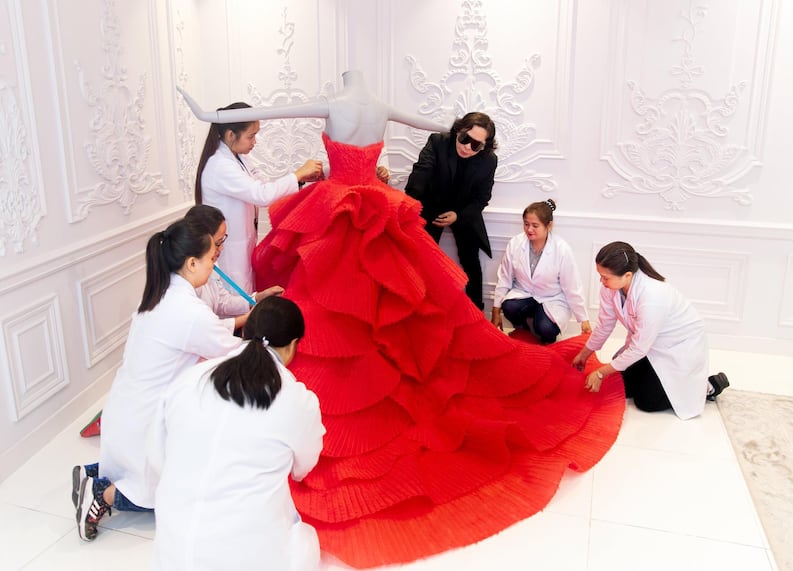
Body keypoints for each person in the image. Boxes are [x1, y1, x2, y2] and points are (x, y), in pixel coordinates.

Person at [179, 70, 625, 568]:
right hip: (369, 202)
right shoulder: (381, 105)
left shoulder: (336, 103)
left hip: (342, 205)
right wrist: (451, 124)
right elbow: (431, 121)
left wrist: (211, 115)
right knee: (389, 306)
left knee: (342, 305)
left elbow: (273, 113)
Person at [72, 218, 242, 541]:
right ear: (192, 263)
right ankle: (99, 493)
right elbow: (231, 351)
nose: (214, 262)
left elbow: (211, 334)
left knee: (138, 467)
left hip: (125, 411)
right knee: (163, 497)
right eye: (210, 257)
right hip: (145, 422)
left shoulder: (159, 295)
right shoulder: (188, 310)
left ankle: (92, 472)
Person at [149, 296, 325, 571]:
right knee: (305, 542)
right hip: (246, 555)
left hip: (173, 551)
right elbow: (303, 467)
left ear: (244, 332)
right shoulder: (297, 401)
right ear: (292, 347)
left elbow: (158, 455)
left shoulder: (191, 379)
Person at [572, 241, 729, 420]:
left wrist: (601, 372)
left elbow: (639, 348)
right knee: (621, 385)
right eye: (600, 275)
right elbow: (604, 325)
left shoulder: (652, 296)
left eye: (605, 277)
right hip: (650, 344)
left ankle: (707, 386)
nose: (601, 281)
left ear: (627, 275)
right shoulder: (610, 289)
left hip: (678, 348)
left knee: (647, 402)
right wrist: (585, 354)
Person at [193, 100, 324, 293]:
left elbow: (266, 186)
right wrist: (297, 174)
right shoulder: (219, 165)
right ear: (231, 135)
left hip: (242, 247)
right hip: (229, 252)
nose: (255, 142)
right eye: (251, 136)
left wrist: (302, 178)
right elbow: (261, 195)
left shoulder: (240, 159)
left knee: (245, 298)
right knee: (234, 300)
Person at [405, 111, 497, 309]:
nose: (467, 147)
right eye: (465, 138)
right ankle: (421, 310)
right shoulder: (438, 142)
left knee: (471, 262)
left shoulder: (489, 160)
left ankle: (476, 313)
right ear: (458, 130)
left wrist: (458, 215)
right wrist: (410, 203)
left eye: (476, 145)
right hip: (432, 207)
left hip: (464, 212)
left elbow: (482, 198)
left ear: (485, 146)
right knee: (423, 260)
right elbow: (421, 173)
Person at [491, 199, 591, 344]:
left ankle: (545, 339)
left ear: (549, 226)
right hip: (524, 293)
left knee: (545, 328)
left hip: (552, 298)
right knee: (509, 307)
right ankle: (524, 331)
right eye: (526, 224)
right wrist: (495, 310)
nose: (529, 229)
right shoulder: (515, 243)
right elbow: (504, 277)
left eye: (535, 225)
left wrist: (584, 319)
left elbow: (572, 286)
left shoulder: (561, 249)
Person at [184, 204, 284, 330]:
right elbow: (205, 329)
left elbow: (222, 301)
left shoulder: (209, 263)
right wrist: (248, 317)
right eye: (218, 243)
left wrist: (258, 298)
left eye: (223, 240)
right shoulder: (186, 284)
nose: (221, 248)